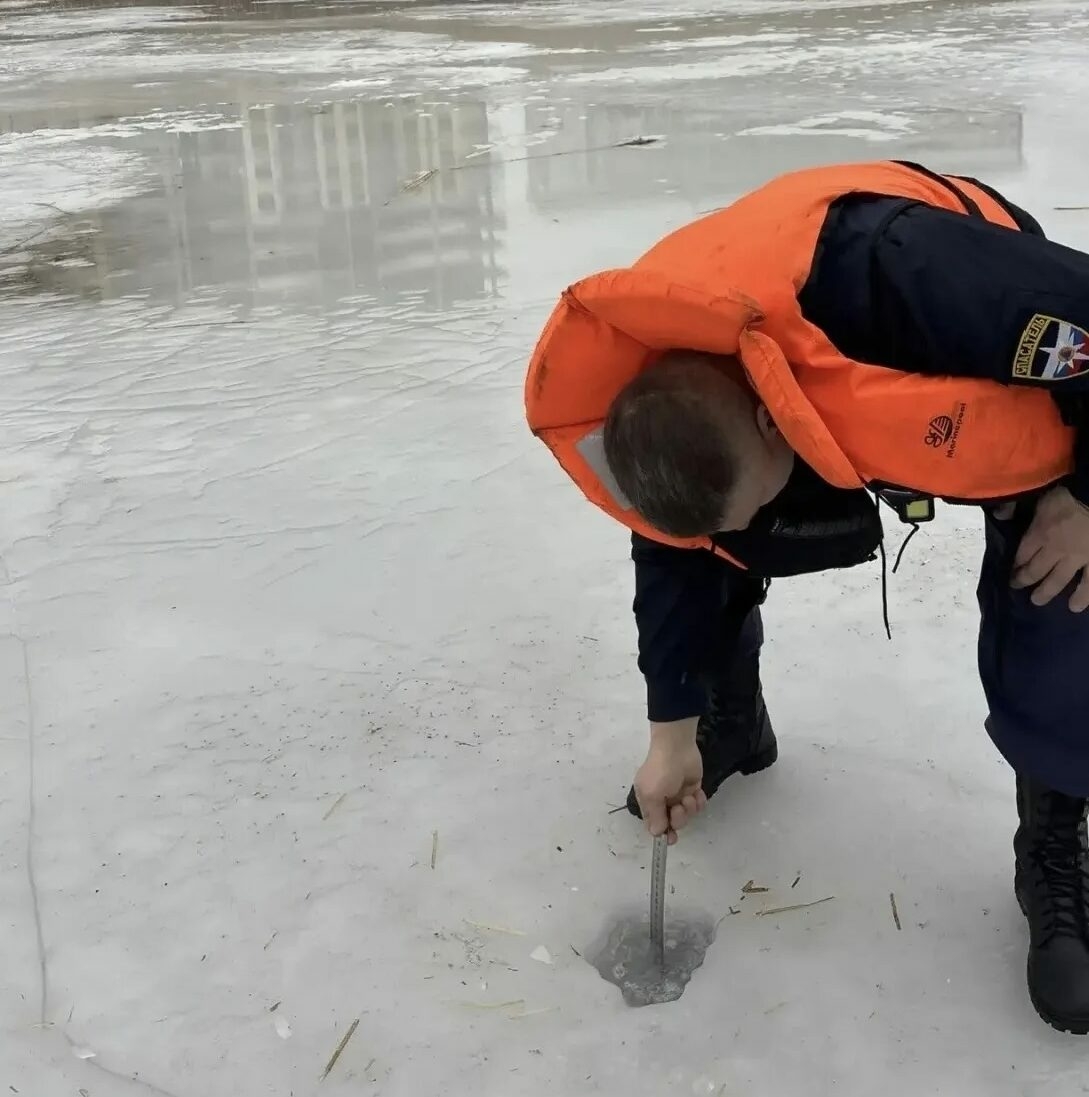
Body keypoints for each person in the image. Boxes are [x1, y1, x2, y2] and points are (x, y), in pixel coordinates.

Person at [524, 160, 1089, 1034]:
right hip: (798, 379)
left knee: (1062, 571)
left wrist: (1084, 496)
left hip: (991, 358)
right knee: (719, 533)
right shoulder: (663, 398)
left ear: (767, 419)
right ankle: (734, 723)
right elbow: (676, 554)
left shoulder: (908, 277)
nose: (747, 528)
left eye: (748, 503)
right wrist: (671, 729)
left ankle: (1052, 831)